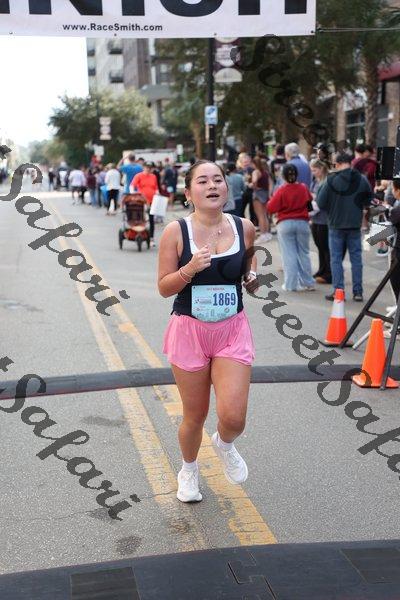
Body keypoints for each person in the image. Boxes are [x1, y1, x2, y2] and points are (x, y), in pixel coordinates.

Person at [158, 160, 259, 503]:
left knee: (234, 417)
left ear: (227, 188)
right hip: (189, 331)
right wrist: (189, 268)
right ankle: (188, 470)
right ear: (188, 193)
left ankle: (225, 444)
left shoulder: (244, 227)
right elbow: (164, 287)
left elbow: (250, 271)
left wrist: (252, 280)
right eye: (202, 181)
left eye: (218, 179)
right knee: (195, 415)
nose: (212, 185)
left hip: (232, 330)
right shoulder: (176, 232)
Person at [317, 152, 374, 302]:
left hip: (336, 224)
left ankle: (338, 292)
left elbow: (321, 202)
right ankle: (358, 292)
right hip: (354, 224)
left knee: (336, 259)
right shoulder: (361, 178)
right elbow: (368, 199)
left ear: (339, 163)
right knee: (356, 259)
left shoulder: (331, 179)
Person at [267, 164, 315, 292]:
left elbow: (271, 207)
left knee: (289, 254)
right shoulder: (303, 187)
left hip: (285, 223)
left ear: (283, 176)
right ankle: (308, 282)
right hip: (303, 223)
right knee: (304, 253)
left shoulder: (282, 190)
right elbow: (309, 202)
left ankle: (291, 284)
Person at [310, 159, 331, 284]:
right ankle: (321, 269)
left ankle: (328, 272)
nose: (313, 173)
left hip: (324, 219)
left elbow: (322, 201)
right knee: (319, 246)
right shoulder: (315, 181)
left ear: (321, 169)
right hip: (315, 218)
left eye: (314, 170)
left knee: (325, 247)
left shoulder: (326, 182)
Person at [131, 161, 159, 247]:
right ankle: (139, 234)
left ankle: (151, 239)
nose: (148, 169)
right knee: (141, 219)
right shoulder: (138, 176)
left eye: (150, 167)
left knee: (151, 220)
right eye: (147, 167)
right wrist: (133, 194)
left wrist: (157, 193)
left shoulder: (153, 176)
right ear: (144, 167)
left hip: (152, 201)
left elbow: (156, 187)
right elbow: (132, 186)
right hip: (141, 201)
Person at [251, 157, 273, 244]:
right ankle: (266, 233)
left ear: (254, 164)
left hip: (258, 194)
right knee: (264, 215)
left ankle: (263, 234)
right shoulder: (266, 173)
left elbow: (254, 181)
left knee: (260, 216)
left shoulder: (256, 172)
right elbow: (270, 184)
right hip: (265, 193)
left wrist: (254, 186)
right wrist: (269, 194)